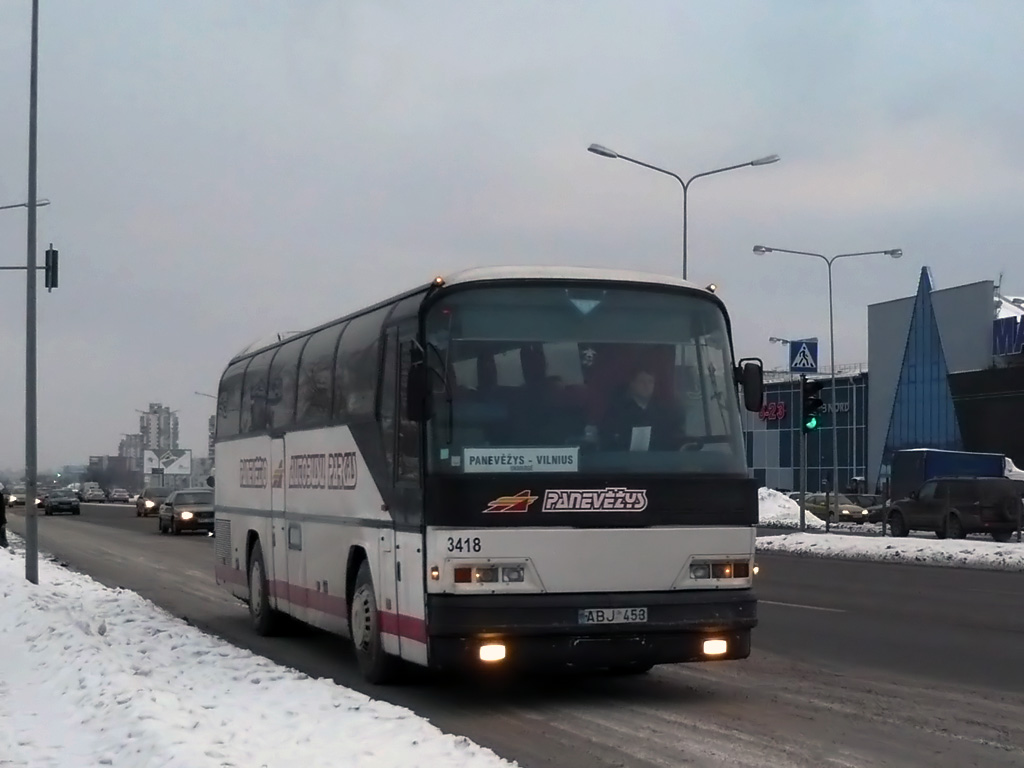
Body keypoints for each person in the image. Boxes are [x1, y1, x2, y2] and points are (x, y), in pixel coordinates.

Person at [600, 365, 686, 452]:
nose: (647, 386)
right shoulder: (617, 412)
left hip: (657, 463)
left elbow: (671, 440)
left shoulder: (663, 413)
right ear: (632, 384)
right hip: (624, 463)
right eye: (642, 381)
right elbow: (608, 442)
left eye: (650, 382)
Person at [0, 482, 8, 548]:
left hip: (1, 519)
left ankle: (3, 545)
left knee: (2, 535)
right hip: (1, 519)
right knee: (2, 535)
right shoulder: (0, 496)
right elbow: (2, 509)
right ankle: (4, 545)